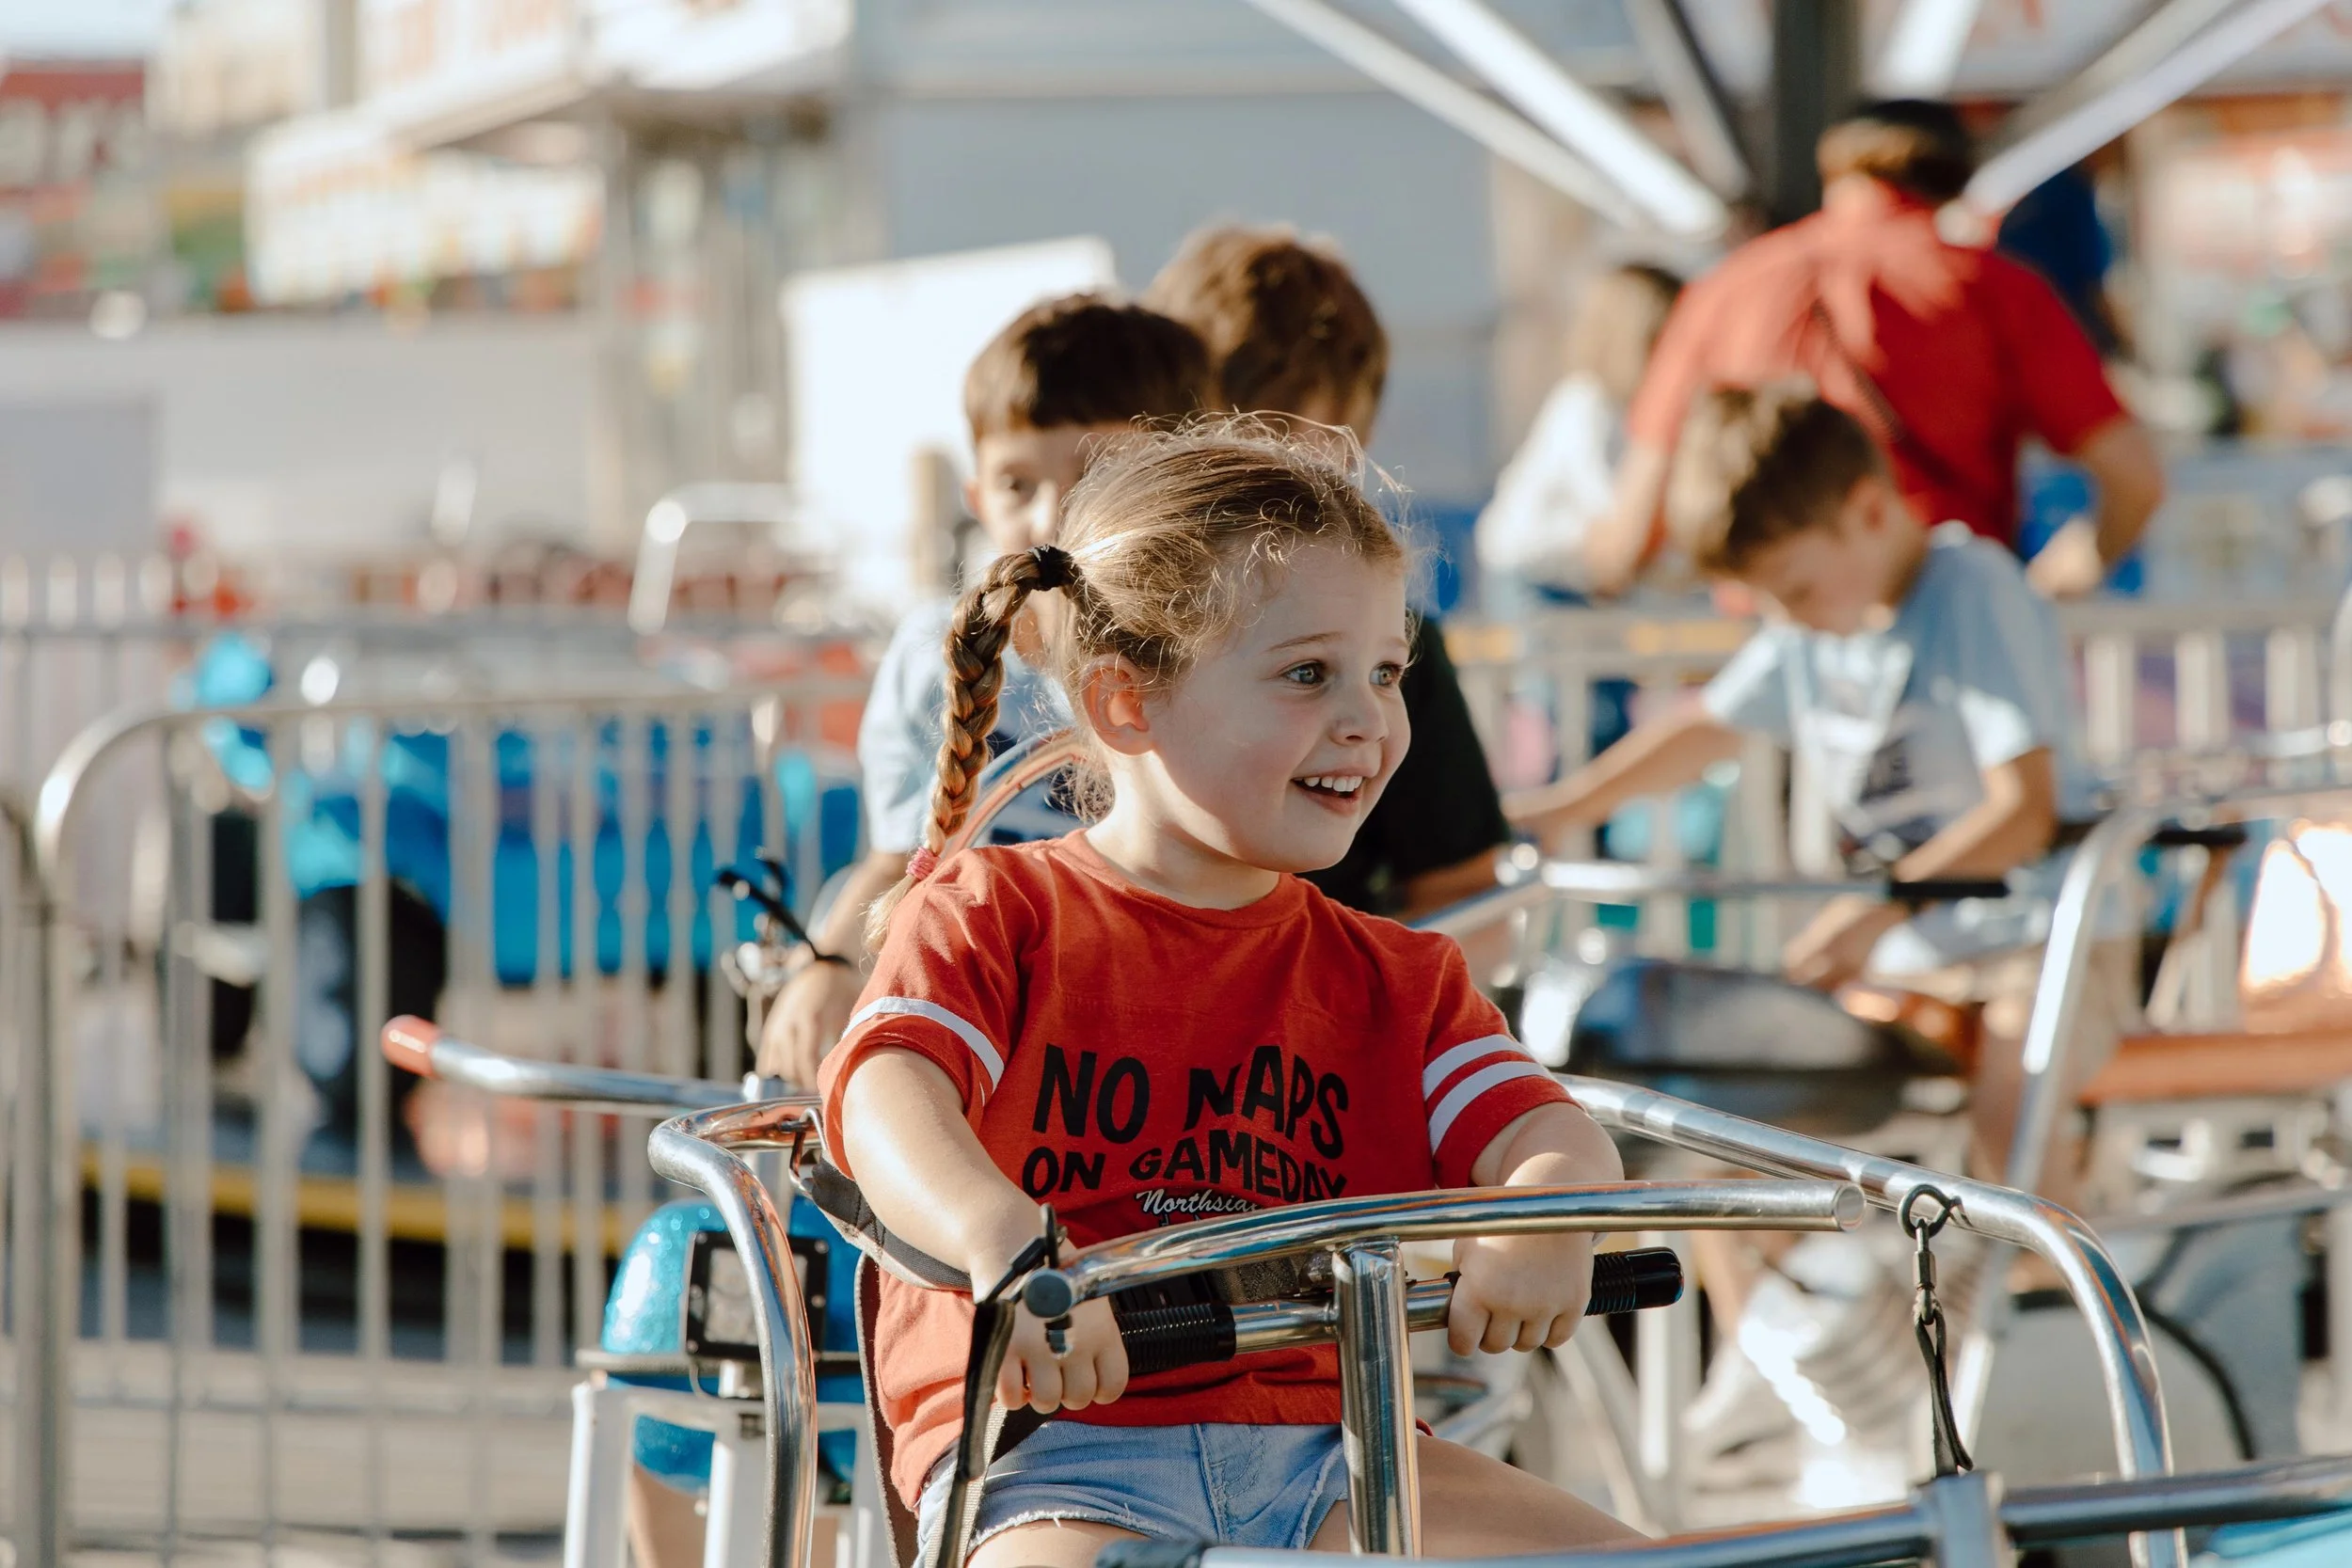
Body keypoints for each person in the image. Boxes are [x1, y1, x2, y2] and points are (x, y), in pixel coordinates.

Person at [818, 421, 1637, 1568]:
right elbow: (885, 1090)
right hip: (1053, 1451)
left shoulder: (1401, 976)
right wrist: (1001, 1235)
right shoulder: (994, 908)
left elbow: (1539, 1125)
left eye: (1385, 672)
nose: (1367, 717)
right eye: (1308, 673)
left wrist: (1547, 1211)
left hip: (1335, 1447)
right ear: (1126, 705)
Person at [1512, 384, 2136, 1187]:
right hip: (1912, 951)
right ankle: (1801, 1306)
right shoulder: (1809, 626)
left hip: (2044, 942)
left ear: (1871, 510)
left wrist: (1878, 907)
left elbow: (2023, 811)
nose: (1788, 617)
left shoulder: (1973, 590)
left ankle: (2030, 1293)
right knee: (1725, 1109)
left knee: (2010, 1102)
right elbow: (1707, 727)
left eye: (1797, 589)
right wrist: (1566, 807)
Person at [757, 294, 1216, 1085]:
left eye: (1097, 473)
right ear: (977, 498)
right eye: (1016, 483)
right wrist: (826, 961)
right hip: (983, 1024)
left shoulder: (1215, 654)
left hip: (1161, 1027)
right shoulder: (937, 652)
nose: (1051, 513)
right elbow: (901, 859)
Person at [1583, 99, 2164, 602]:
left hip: (1777, 641)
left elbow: (1634, 533)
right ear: (1957, 176)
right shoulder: (1995, 289)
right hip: (1943, 628)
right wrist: (2050, 586)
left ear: (1835, 168)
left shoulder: (1725, 289)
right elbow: (2136, 480)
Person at [1145, 224, 1512, 917]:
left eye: (1308, 452)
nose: (1274, 494)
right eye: (1241, 447)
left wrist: (1326, 993)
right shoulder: (1108, 638)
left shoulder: (1400, 654)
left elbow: (1467, 895)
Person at [1476, 263, 1682, 596]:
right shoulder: (1586, 404)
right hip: (1532, 578)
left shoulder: (1630, 408)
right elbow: (1618, 515)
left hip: (1578, 578)